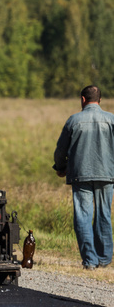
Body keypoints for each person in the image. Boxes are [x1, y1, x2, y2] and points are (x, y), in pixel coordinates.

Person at [53, 85, 114, 270]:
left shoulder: (74, 120)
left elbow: (60, 150)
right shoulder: (111, 119)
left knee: (83, 216)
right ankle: (104, 258)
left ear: (82, 99)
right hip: (107, 174)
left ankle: (90, 260)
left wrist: (61, 167)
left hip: (81, 174)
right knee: (104, 215)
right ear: (100, 100)